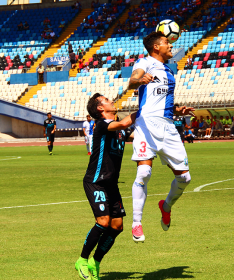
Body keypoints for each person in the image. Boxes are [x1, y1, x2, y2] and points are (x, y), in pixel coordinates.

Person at [128, 31, 194, 242]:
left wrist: (177, 111)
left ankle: (165, 206)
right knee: (144, 172)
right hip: (146, 125)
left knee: (185, 177)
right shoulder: (144, 62)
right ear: (156, 47)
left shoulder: (169, 70)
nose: (170, 45)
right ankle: (136, 223)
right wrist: (139, 80)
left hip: (167, 126)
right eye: (166, 42)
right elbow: (132, 81)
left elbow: (161, 102)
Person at [75, 93, 136, 280]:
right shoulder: (101, 125)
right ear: (100, 108)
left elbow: (136, 133)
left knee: (117, 226)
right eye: (107, 100)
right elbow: (125, 123)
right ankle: (82, 260)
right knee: (103, 222)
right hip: (96, 182)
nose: (112, 101)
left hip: (111, 184)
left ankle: (96, 261)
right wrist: (145, 107)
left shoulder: (120, 130)